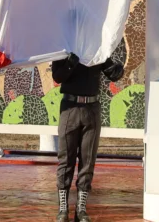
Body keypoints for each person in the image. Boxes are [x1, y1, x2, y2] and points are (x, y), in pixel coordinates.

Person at [50, 52, 124, 222]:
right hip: (70, 108)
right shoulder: (64, 47)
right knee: (65, 159)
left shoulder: (96, 49)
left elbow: (112, 74)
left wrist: (117, 69)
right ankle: (63, 209)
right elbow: (57, 77)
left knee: (87, 160)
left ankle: (81, 209)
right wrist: (71, 61)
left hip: (92, 108)